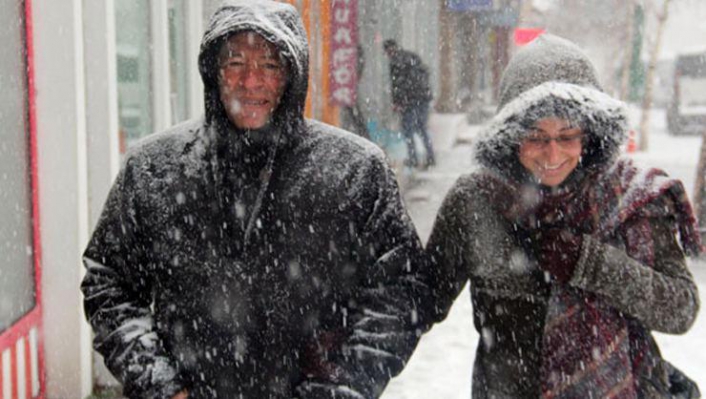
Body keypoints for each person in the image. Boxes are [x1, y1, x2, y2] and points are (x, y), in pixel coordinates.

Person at [81, 1, 428, 398]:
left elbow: (398, 290)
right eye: (235, 63)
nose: (251, 81)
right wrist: (161, 385)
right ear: (213, 72)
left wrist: (341, 386)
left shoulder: (355, 169)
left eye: (269, 65)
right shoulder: (154, 167)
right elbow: (108, 281)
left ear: (291, 77)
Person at [425, 34, 702, 398]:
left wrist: (594, 264)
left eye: (568, 135)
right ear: (510, 136)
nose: (552, 153)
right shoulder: (477, 201)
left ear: (589, 135)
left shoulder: (631, 199)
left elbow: (680, 309)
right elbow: (420, 298)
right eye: (536, 137)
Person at [383, 39, 435, 169]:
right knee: (422, 128)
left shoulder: (395, 62)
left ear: (389, 50)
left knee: (408, 130)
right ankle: (430, 156)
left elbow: (397, 85)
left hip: (409, 100)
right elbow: (425, 72)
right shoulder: (412, 56)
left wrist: (397, 102)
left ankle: (413, 158)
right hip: (423, 97)